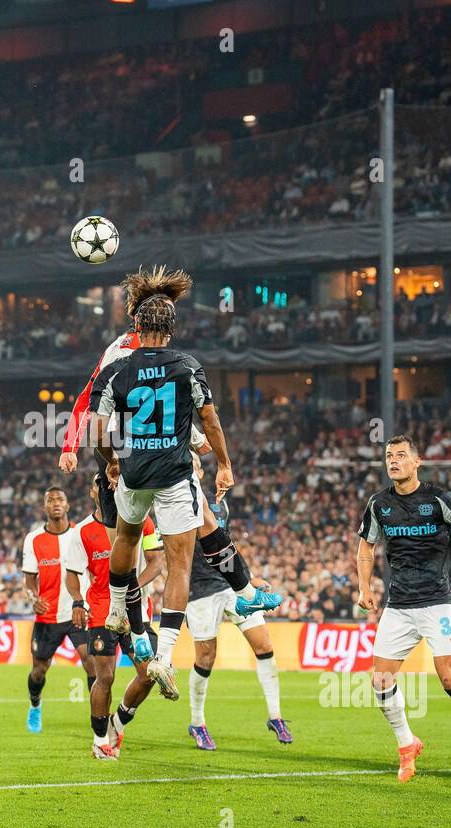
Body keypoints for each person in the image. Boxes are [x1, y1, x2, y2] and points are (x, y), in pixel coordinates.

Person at [90, 265, 280, 702]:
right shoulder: (186, 366)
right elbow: (209, 419)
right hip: (174, 475)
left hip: (134, 472)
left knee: (128, 534)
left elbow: (96, 432)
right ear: (172, 329)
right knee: (180, 565)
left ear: (136, 325)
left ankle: (119, 609)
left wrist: (111, 464)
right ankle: (165, 653)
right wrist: (226, 464)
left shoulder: (117, 368)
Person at [356, 434, 451, 789]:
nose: (394, 461)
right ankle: (407, 744)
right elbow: (365, 548)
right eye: (389, 456)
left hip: (437, 601)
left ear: (416, 462)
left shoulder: (438, 499)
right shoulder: (378, 504)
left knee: (450, 677)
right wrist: (364, 587)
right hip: (399, 605)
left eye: (402, 455)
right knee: (380, 681)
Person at [184, 453, 291, 750]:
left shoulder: (219, 504)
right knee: (205, 659)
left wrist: (250, 577)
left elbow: (227, 546)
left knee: (264, 645)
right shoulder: (175, 503)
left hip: (230, 585)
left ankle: (275, 715)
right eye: (186, 462)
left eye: (195, 463)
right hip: (199, 591)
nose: (190, 467)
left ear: (201, 472)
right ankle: (197, 722)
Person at [63, 472, 164, 759]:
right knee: (104, 676)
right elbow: (72, 575)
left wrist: (133, 588)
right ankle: (99, 741)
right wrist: (77, 601)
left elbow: (157, 562)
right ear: (93, 492)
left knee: (149, 674)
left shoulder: (141, 520)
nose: (108, 485)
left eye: (112, 480)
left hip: (137, 614)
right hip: (100, 613)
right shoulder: (82, 531)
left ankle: (116, 722)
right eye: (100, 483)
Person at [20, 487, 90, 733]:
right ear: (45, 507)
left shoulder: (80, 534)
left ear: (68, 505)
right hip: (47, 615)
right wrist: (33, 596)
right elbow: (29, 579)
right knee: (38, 671)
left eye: (60, 499)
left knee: (91, 662)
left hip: (78, 613)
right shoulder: (34, 539)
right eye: (50, 500)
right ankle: (35, 705)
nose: (56, 503)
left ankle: (98, 718)